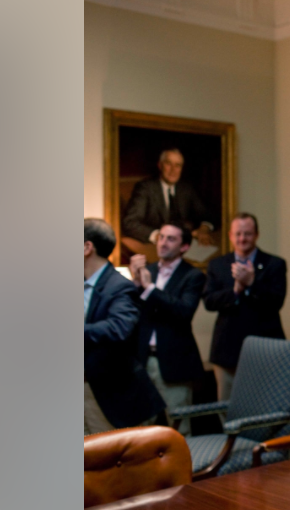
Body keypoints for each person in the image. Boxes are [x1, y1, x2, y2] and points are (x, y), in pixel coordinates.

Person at [84, 218, 165, 434]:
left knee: (109, 454)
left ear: (87, 248)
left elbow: (118, 328)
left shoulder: (120, 286)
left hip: (108, 394)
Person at [128, 222, 206, 435]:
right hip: (144, 359)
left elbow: (184, 311)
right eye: (161, 237)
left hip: (175, 362)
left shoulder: (193, 275)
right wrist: (136, 284)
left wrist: (149, 288)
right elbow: (132, 312)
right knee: (140, 427)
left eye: (171, 239)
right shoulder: (148, 271)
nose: (163, 243)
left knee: (179, 428)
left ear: (184, 246)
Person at [203, 213, 287, 401]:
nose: (242, 239)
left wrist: (251, 283)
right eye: (238, 234)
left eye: (247, 234)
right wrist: (235, 291)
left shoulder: (274, 264)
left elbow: (276, 302)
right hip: (226, 350)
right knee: (228, 406)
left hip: (265, 347)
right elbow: (209, 301)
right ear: (230, 236)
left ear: (256, 235)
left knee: (264, 403)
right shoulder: (217, 265)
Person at [122, 148, 215, 253]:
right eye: (168, 164)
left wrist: (203, 229)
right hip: (155, 248)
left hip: (183, 246)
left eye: (177, 165)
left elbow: (206, 214)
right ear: (160, 165)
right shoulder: (145, 188)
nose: (173, 170)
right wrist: (159, 236)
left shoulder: (186, 188)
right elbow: (130, 223)